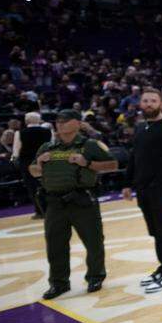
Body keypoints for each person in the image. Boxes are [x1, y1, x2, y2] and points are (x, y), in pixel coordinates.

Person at [29, 109, 118, 299]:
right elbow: (33, 171)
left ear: (78, 123)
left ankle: (95, 276)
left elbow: (113, 165)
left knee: (93, 242)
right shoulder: (46, 147)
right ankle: (59, 283)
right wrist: (39, 164)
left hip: (82, 200)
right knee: (55, 245)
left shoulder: (90, 145)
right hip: (54, 203)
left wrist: (87, 163)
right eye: (58, 121)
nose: (60, 124)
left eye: (65, 121)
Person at [122, 89, 162, 294]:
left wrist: (157, 183)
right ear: (140, 104)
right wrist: (127, 183)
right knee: (155, 230)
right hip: (143, 187)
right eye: (145, 100)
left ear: (161, 104)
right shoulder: (141, 128)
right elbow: (134, 158)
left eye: (153, 101)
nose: (148, 104)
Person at [13, 111, 53, 219]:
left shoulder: (20, 133)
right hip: (47, 161)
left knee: (33, 187)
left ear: (26, 121)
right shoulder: (48, 131)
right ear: (39, 120)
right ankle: (54, 209)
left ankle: (40, 211)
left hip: (28, 162)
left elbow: (16, 151)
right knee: (50, 185)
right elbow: (53, 147)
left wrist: (14, 160)